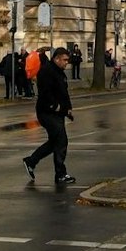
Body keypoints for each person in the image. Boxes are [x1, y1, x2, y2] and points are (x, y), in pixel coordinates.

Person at [20, 47, 75, 187]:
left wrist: (68, 109)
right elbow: (45, 93)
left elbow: (63, 92)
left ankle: (31, 161)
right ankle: (61, 174)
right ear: (56, 59)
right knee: (61, 140)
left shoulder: (59, 72)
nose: (66, 63)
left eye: (67, 60)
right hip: (47, 112)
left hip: (58, 112)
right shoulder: (47, 71)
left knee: (55, 142)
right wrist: (56, 106)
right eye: (64, 60)